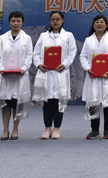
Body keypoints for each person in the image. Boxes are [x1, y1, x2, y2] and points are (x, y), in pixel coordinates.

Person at [32, 11, 77, 140]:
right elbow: (36, 53)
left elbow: (72, 53)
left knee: (59, 101)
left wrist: (64, 64)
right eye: (53, 19)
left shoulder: (68, 36)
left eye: (58, 19)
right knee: (47, 102)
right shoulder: (43, 36)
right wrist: (39, 64)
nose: (55, 21)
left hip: (60, 72)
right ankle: (47, 128)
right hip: (46, 73)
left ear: (63, 20)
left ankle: (57, 128)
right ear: (50, 21)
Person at [0, 11, 33, 140]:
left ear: (22, 23)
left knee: (16, 104)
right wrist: (1, 68)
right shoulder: (2, 38)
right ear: (9, 22)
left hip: (20, 76)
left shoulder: (27, 38)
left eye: (18, 21)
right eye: (13, 21)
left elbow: (29, 56)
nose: (15, 23)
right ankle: (5, 130)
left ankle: (15, 129)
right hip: (5, 76)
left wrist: (24, 68)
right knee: (6, 104)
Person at [80, 15, 108, 140]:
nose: (99, 24)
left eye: (102, 22)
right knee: (93, 102)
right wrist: (88, 68)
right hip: (93, 75)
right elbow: (83, 57)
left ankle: (107, 130)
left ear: (106, 25)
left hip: (107, 75)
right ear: (93, 25)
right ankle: (94, 129)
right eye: (96, 22)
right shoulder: (88, 40)